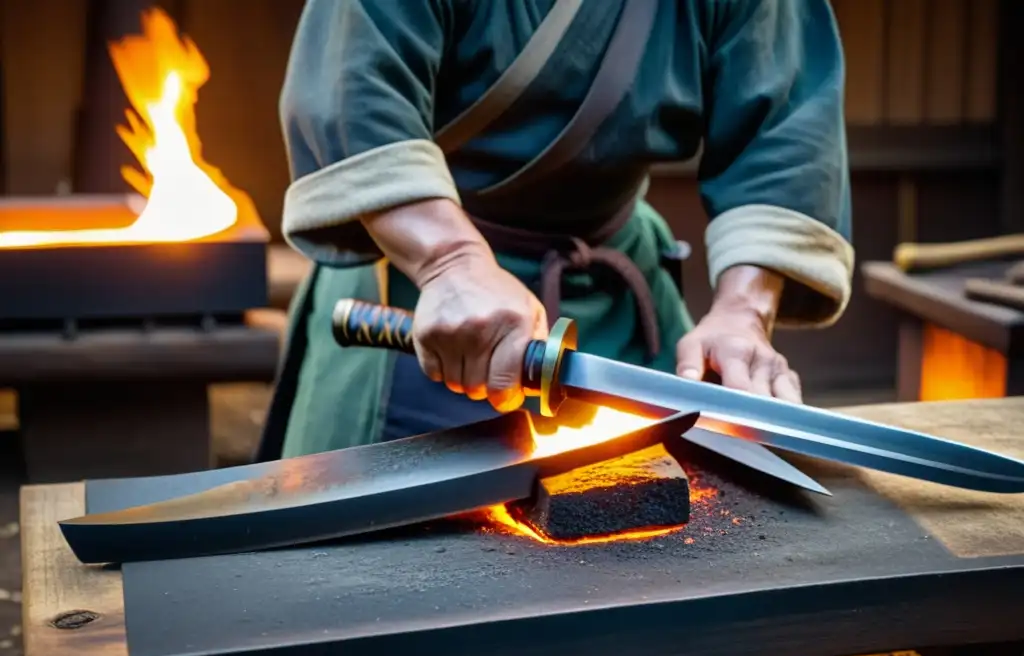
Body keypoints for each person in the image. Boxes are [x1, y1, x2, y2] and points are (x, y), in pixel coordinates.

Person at [257, 0, 854, 462]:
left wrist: (745, 312)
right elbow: (355, 88)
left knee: (650, 557)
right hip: (423, 295)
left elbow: (787, 129)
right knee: (378, 578)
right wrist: (451, 261)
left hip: (618, 294)